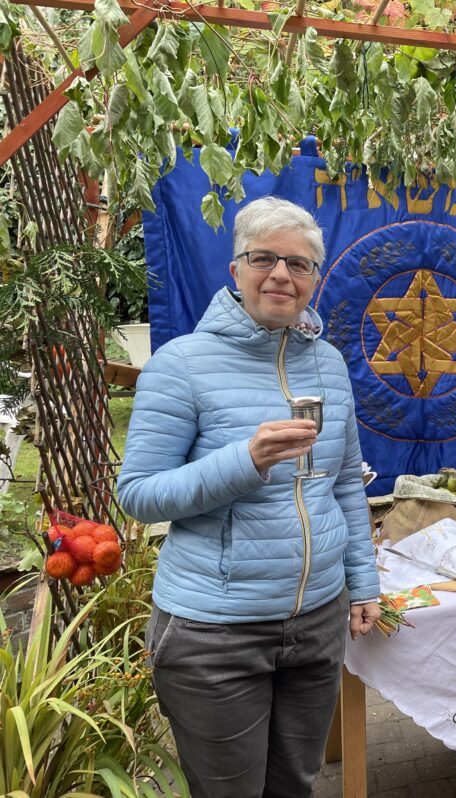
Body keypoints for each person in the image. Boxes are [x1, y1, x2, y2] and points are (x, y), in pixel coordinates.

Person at [117, 196, 380, 798]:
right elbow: (138, 495)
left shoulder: (330, 365)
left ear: (315, 277)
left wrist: (362, 584)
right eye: (264, 258)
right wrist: (246, 462)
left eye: (298, 263)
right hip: (217, 634)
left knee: (296, 784)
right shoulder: (181, 365)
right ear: (235, 269)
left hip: (316, 622)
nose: (281, 275)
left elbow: (343, 482)